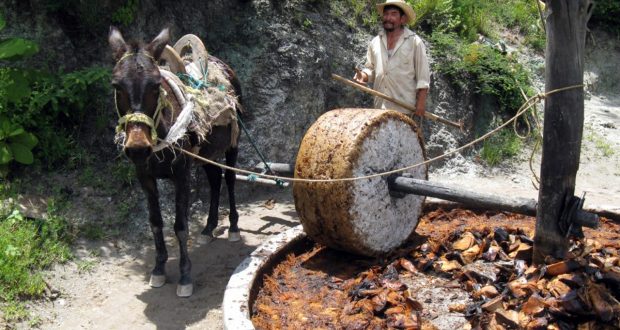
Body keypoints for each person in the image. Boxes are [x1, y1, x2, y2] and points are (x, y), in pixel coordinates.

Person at [353, 0, 430, 118]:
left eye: (393, 14)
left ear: (403, 19)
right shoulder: (375, 42)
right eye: (386, 14)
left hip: (404, 110)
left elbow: (423, 77)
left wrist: (421, 104)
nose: (388, 18)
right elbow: (372, 70)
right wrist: (363, 76)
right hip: (379, 108)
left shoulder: (415, 42)